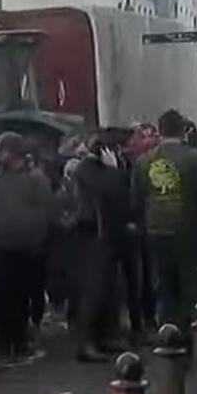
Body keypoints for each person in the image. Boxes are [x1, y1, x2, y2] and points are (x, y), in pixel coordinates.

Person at [0, 132, 56, 361]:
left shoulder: (35, 178)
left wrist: (36, 237)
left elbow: (45, 210)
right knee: (0, 298)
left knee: (20, 299)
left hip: (26, 248)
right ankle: (3, 342)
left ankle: (18, 343)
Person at [137, 109, 197, 330]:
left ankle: (168, 332)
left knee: (164, 286)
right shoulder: (195, 159)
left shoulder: (144, 161)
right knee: (189, 285)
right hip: (188, 230)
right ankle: (191, 335)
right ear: (183, 131)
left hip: (155, 231)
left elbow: (135, 199)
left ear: (160, 130)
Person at [68, 132, 143, 361]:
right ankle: (86, 342)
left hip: (110, 234)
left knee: (110, 289)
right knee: (94, 290)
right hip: (91, 235)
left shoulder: (103, 169)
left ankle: (106, 335)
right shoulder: (86, 169)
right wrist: (114, 170)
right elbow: (110, 189)